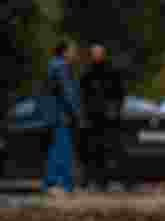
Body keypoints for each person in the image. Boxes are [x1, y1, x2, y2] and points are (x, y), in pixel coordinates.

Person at [79, 43, 125, 193]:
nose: (96, 56)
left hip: (110, 119)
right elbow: (83, 95)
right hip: (93, 118)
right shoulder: (87, 72)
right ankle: (95, 181)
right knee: (93, 150)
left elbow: (120, 94)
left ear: (103, 54)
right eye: (94, 53)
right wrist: (85, 114)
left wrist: (116, 110)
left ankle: (108, 181)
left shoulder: (112, 71)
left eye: (99, 53)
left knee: (110, 149)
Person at [43, 41, 82, 197]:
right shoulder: (61, 67)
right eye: (72, 51)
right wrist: (78, 114)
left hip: (56, 114)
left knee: (57, 148)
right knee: (63, 150)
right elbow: (69, 94)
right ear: (64, 52)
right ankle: (60, 185)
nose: (75, 54)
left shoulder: (54, 65)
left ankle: (57, 184)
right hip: (61, 115)